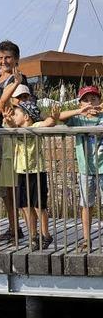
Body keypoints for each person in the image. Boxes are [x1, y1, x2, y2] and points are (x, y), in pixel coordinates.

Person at [0, 40, 27, 242]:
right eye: (0, 58)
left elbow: (0, 106)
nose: (3, 61)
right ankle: (9, 226)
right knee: (1, 189)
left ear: (16, 59)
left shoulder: (18, 80)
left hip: (9, 141)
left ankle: (17, 228)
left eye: (7, 57)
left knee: (12, 188)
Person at [4, 101, 59, 250]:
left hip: (36, 171)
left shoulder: (34, 127)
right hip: (21, 172)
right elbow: (11, 126)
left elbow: (47, 123)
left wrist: (53, 118)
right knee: (25, 206)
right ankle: (33, 235)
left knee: (38, 206)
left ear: (27, 116)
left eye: (17, 114)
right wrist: (9, 120)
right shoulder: (16, 128)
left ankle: (45, 234)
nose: (14, 117)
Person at [59, 85, 103, 251]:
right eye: (85, 100)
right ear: (80, 103)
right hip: (86, 169)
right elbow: (59, 117)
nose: (90, 103)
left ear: (99, 100)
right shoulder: (79, 119)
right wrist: (79, 111)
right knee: (86, 205)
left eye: (93, 99)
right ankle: (86, 239)